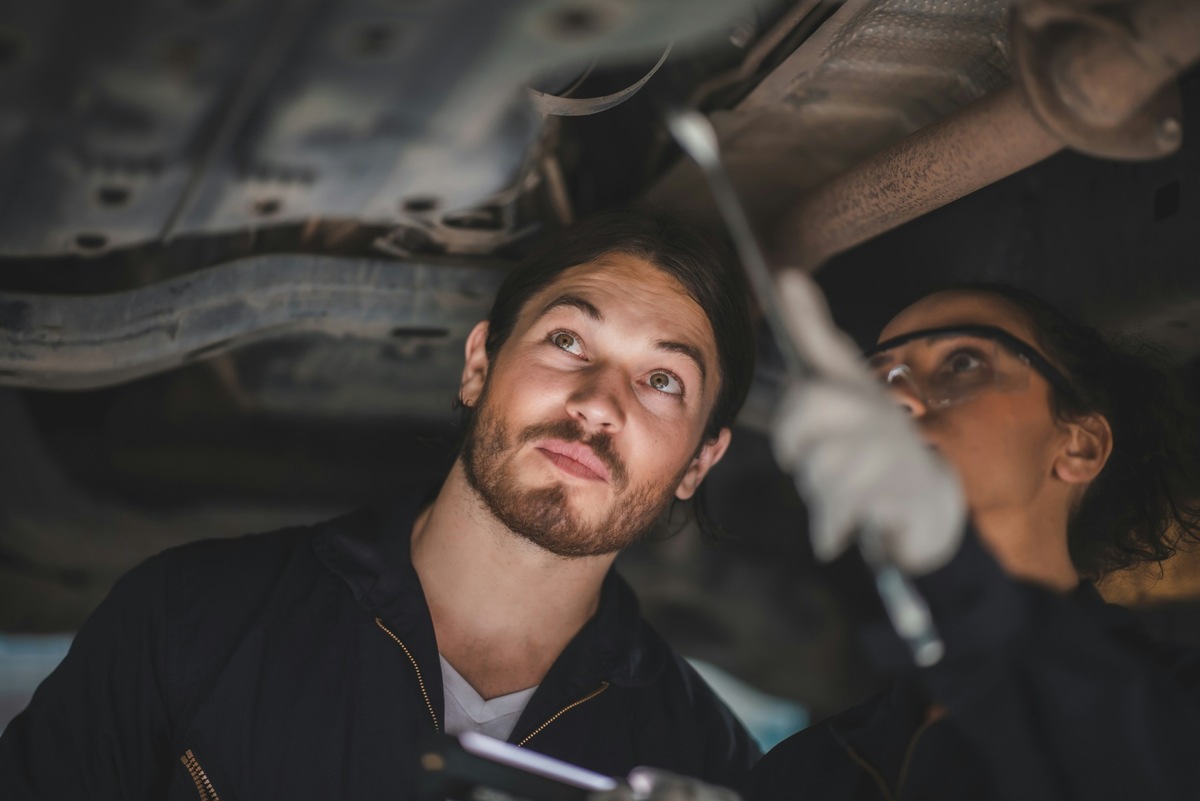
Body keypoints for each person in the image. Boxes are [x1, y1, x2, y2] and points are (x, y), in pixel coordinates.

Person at [0, 211, 762, 799]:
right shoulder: (187, 618)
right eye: (567, 340)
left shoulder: (708, 765)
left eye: (662, 380)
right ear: (478, 363)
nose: (597, 404)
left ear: (700, 460)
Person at [752, 273, 1200, 800]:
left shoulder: (1180, 707)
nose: (898, 402)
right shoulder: (800, 772)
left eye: (963, 363)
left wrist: (950, 566)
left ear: (1079, 446)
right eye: (882, 381)